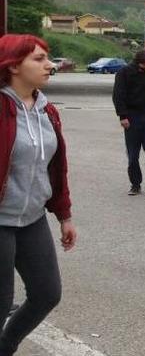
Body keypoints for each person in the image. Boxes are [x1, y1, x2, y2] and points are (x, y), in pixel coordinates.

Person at [0, 34, 77, 355]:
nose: (49, 65)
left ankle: (6, 345)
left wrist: (65, 215)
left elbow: (55, 168)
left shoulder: (48, 111)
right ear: (13, 66)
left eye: (48, 58)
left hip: (32, 219)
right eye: (39, 59)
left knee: (47, 293)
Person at [112, 50, 145, 198]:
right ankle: (135, 184)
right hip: (131, 117)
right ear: (137, 63)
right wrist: (122, 116)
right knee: (133, 154)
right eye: (144, 65)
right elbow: (118, 95)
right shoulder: (124, 73)